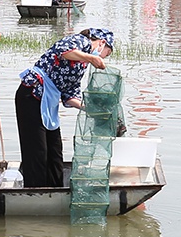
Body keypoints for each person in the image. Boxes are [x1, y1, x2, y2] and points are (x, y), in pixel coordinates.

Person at [15, 28, 114, 188]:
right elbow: (64, 50)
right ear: (102, 43)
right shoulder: (81, 41)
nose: (103, 58)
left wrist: (91, 110)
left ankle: (54, 189)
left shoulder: (81, 66)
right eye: (106, 53)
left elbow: (70, 96)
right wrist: (90, 57)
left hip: (48, 102)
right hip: (32, 94)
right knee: (37, 150)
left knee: (55, 150)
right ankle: (35, 191)